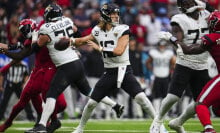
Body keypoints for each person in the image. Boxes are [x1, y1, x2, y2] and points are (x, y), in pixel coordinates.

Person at [67, 3, 167, 133]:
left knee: (141, 98)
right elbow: (85, 40)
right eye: (112, 14)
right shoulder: (97, 30)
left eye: (116, 13)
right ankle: (80, 129)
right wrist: (71, 41)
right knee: (91, 103)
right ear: (105, 15)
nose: (115, 16)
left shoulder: (123, 29)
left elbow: (119, 51)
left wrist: (100, 48)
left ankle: (160, 126)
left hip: (124, 70)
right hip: (109, 72)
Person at [29, 3, 124, 133]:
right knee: (89, 91)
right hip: (77, 63)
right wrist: (73, 45)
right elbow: (77, 32)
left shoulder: (46, 28)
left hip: (66, 65)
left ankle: (41, 125)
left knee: (51, 94)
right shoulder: (67, 20)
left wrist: (34, 37)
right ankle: (115, 105)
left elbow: (36, 48)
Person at [149, 0, 216, 133]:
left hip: (202, 64)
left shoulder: (207, 15)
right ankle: (158, 120)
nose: (188, 5)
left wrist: (171, 40)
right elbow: (181, 45)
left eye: (189, 2)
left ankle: (178, 122)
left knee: (201, 102)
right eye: (184, 3)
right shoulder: (179, 19)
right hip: (185, 62)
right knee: (174, 96)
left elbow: (213, 10)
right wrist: (173, 40)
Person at [0, 18, 67, 133]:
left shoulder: (45, 33)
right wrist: (6, 49)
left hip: (52, 71)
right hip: (39, 72)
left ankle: (49, 120)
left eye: (24, 30)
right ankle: (10, 122)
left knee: (61, 104)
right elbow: (22, 51)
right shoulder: (33, 37)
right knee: (26, 97)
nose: (24, 34)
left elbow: (23, 51)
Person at [146, 40, 176, 112]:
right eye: (160, 46)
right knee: (156, 96)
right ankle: (156, 112)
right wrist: (152, 70)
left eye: (163, 46)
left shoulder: (169, 53)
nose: (162, 47)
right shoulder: (154, 53)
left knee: (165, 97)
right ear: (158, 46)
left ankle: (164, 112)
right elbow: (147, 62)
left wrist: (170, 70)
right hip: (156, 76)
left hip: (166, 77)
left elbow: (174, 63)